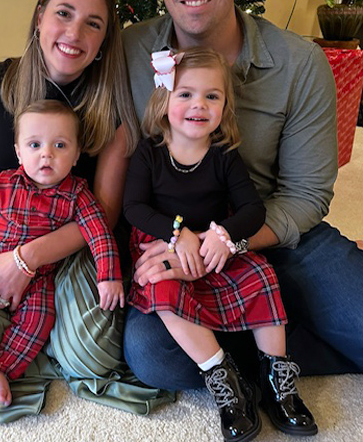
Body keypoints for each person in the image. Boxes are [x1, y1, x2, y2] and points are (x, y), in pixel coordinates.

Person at [122, 0, 363, 412]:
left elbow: (306, 194)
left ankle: (265, 336)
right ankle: (264, 338)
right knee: (152, 355)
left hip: (274, 232)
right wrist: (172, 243)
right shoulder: (131, 50)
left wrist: (224, 245)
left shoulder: (300, 63)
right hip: (173, 240)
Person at [0, 0, 172, 420]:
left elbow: (105, 212)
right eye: (64, 13)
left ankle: (25, 345)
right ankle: (18, 344)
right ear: (40, 17)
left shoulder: (114, 105)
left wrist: (27, 261)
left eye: (93, 24)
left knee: (95, 358)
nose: (74, 33)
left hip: (72, 248)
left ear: (102, 42)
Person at [124, 47, 316, 440]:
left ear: (225, 106)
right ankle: (225, 382)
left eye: (212, 96)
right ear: (163, 100)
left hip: (216, 246)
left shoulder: (224, 155)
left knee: (262, 275)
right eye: (185, 94)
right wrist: (178, 233)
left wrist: (222, 236)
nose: (199, 105)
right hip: (165, 243)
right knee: (163, 294)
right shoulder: (149, 153)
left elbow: (252, 210)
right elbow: (134, 208)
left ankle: (277, 377)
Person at [0, 100, 124, 407]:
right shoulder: (5, 183)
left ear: (76, 155)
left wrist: (108, 277)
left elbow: (100, 234)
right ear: (19, 152)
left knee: (41, 315)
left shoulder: (78, 194)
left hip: (40, 274)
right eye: (34, 145)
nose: (46, 154)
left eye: (60, 145)